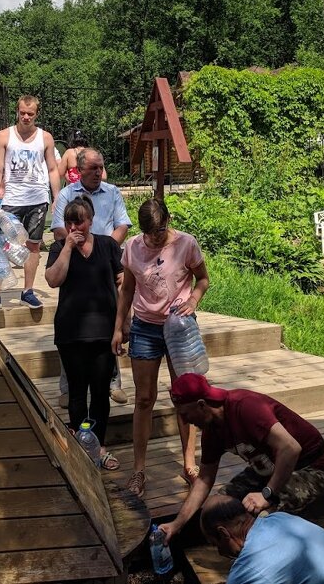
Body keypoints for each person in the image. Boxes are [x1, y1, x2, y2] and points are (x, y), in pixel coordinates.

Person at [156, 373, 324, 546]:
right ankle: (237, 549)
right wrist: (176, 524)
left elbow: (291, 448)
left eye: (185, 414)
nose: (184, 421)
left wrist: (267, 493)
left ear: (202, 405)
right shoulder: (212, 431)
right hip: (268, 468)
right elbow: (204, 479)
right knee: (217, 508)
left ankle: (266, 559)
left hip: (312, 467)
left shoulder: (245, 406)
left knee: (263, 515)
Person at [111, 198, 209, 498]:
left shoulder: (186, 244)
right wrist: (119, 326)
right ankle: (139, 470)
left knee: (187, 397)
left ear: (168, 220)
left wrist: (192, 301)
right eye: (149, 233)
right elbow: (127, 289)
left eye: (160, 230)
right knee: (143, 399)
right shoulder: (133, 247)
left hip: (179, 328)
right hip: (144, 326)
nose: (154, 238)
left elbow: (203, 279)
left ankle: (189, 463)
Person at [44, 195, 123, 471]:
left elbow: (123, 282)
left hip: (104, 333)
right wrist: (67, 247)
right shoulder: (58, 247)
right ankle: (80, 446)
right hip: (71, 333)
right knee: (77, 394)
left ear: (91, 221)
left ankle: (98, 447)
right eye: (69, 222)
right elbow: (53, 280)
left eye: (80, 221)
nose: (75, 226)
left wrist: (122, 326)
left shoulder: (108, 245)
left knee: (100, 393)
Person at [52, 147, 132, 406]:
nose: (99, 173)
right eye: (93, 168)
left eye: (101, 167)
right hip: (74, 258)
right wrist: (78, 245)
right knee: (71, 323)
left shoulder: (112, 192)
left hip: (105, 259)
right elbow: (58, 229)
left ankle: (113, 383)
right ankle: (68, 388)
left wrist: (103, 247)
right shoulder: (67, 194)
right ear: (80, 170)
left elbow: (122, 225)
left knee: (108, 320)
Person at [0, 95, 60, 311]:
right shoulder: (4, 136)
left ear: (36, 114)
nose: (26, 117)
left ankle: (28, 292)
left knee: (33, 245)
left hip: (37, 199)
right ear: (17, 111)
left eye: (30, 114)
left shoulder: (45, 138)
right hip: (12, 198)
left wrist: (57, 197)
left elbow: (52, 169)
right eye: (22, 112)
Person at [198, 495, 324, 584]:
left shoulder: (249, 567)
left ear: (224, 533)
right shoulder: (281, 518)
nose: (220, 552)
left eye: (215, 544)